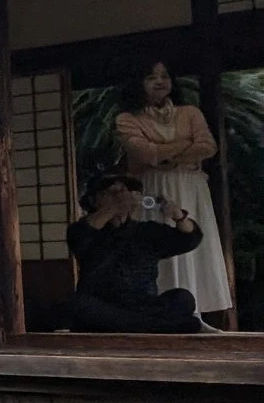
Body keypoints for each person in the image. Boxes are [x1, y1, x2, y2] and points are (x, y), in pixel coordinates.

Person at [113, 59, 234, 329]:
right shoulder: (127, 119)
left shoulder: (190, 112)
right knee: (161, 246)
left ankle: (197, 315)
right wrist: (181, 146)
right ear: (138, 82)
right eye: (150, 76)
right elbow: (143, 153)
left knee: (193, 244)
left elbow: (208, 146)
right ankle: (167, 316)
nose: (159, 81)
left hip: (191, 186)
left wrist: (162, 153)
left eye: (164, 76)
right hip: (153, 186)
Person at [44, 173, 204, 334]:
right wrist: (114, 207)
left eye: (124, 192)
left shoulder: (146, 231)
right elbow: (80, 235)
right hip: (102, 307)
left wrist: (179, 216)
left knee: (183, 299)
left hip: (141, 305)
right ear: (94, 201)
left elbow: (190, 239)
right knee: (77, 305)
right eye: (112, 193)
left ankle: (140, 326)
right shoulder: (85, 230)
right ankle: (160, 327)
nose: (121, 197)